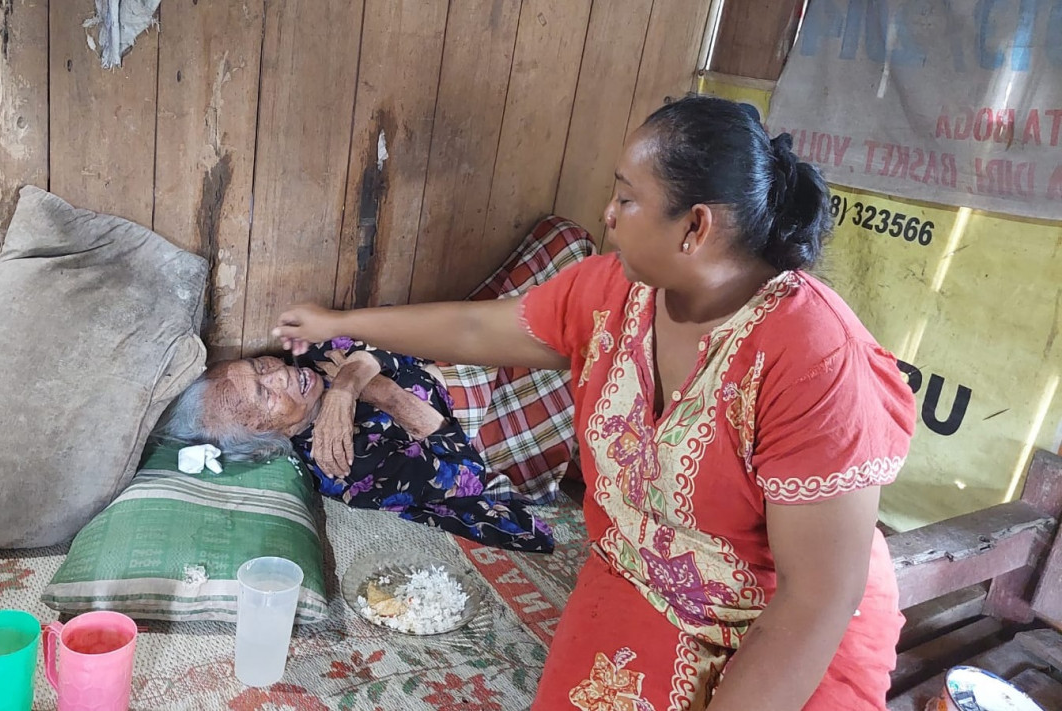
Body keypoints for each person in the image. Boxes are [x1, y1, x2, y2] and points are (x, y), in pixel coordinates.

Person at [272, 96, 914, 710]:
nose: (608, 214)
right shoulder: (615, 291)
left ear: (696, 227)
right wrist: (340, 321)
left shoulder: (814, 359)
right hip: (644, 579)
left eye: (628, 199)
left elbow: (818, 597)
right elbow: (476, 331)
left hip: (787, 622)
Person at [157, 223, 596, 554]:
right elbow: (463, 476)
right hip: (484, 419)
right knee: (582, 329)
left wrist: (346, 384)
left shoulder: (306, 363)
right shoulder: (343, 461)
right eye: (265, 395)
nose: (279, 374)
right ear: (270, 439)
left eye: (258, 366)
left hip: (455, 355)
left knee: (564, 240)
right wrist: (381, 392)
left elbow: (379, 332)